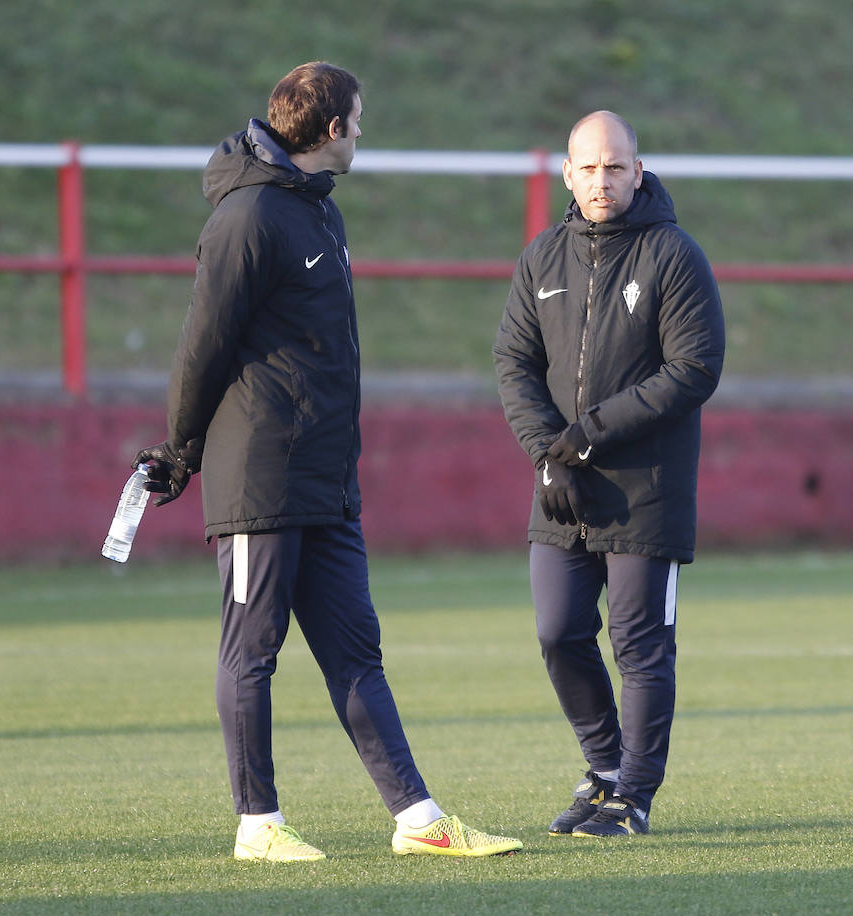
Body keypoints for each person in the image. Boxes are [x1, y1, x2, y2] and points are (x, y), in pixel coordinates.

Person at [133, 61, 521, 863]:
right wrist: (181, 448)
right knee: (253, 651)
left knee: (356, 651)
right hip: (259, 482)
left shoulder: (317, 214)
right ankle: (258, 825)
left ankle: (419, 820)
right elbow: (201, 346)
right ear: (334, 128)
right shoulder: (246, 219)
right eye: (360, 119)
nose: (362, 134)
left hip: (324, 480)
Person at [492, 111, 726, 837]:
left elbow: (693, 370)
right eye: (588, 168)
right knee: (559, 632)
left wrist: (581, 440)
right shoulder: (541, 258)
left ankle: (635, 797)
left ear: (639, 170)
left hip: (643, 492)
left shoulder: (674, 256)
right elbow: (514, 363)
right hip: (561, 486)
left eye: (615, 167)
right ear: (567, 174)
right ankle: (603, 771)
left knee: (638, 644)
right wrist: (546, 454)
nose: (602, 180)